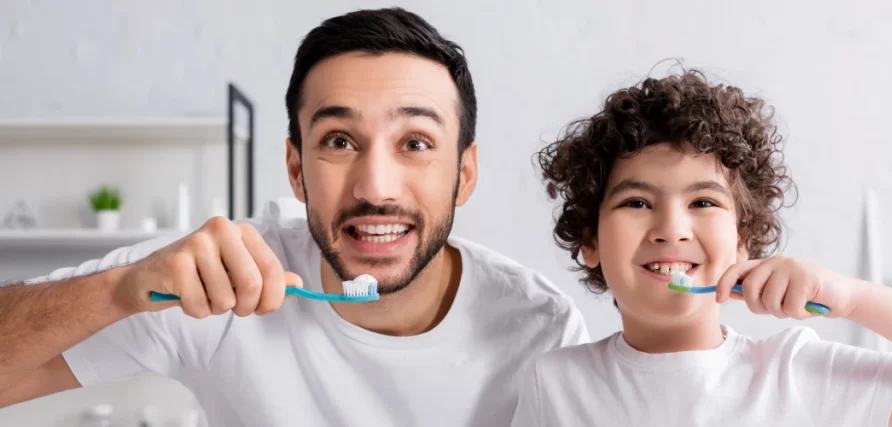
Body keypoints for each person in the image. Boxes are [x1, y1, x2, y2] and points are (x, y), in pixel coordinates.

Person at [0, 8, 589, 426]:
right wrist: (120, 289)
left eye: (415, 143)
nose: (375, 186)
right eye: (338, 140)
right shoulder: (222, 287)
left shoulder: (541, 334)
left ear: (463, 174)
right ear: (296, 168)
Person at [511, 68, 892, 426]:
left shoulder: (802, 377)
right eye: (637, 203)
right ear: (590, 240)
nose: (672, 228)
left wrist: (855, 299)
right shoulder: (553, 386)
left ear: (744, 243)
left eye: (704, 203)